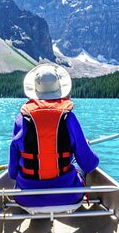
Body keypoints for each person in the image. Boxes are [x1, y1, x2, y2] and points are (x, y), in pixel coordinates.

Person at [8, 63, 99, 207]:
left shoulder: (21, 119)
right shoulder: (69, 118)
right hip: (68, 197)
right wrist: (84, 148)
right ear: (59, 89)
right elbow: (89, 164)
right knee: (81, 167)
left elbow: (12, 173)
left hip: (26, 198)